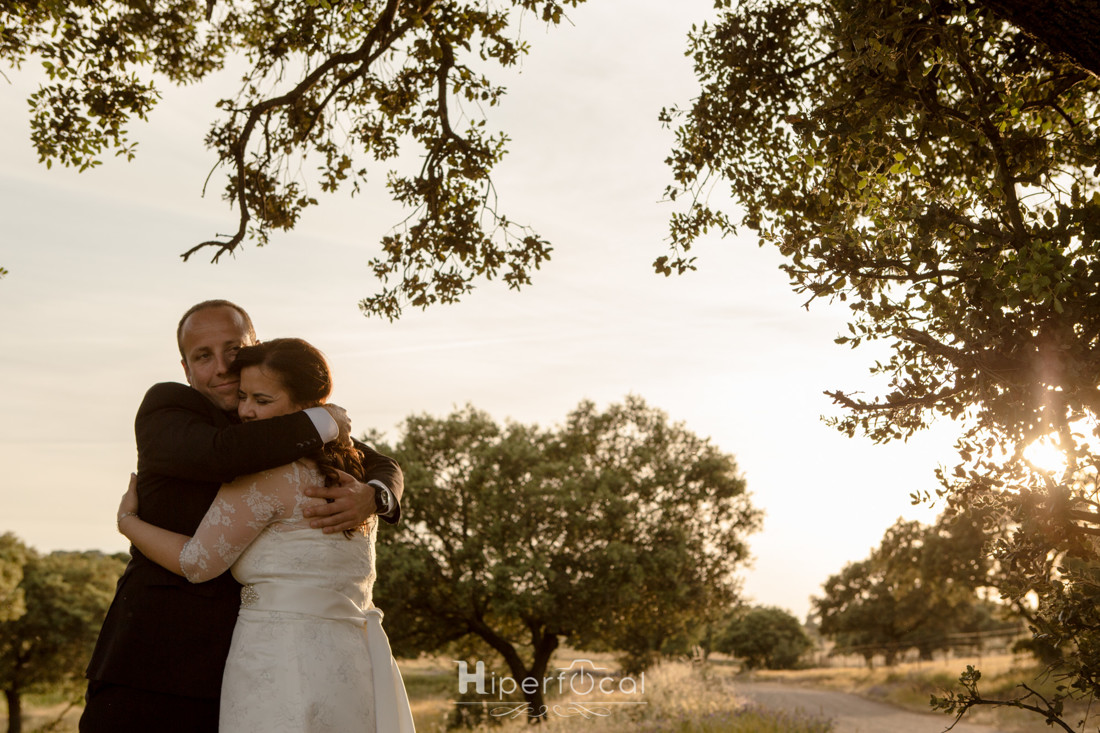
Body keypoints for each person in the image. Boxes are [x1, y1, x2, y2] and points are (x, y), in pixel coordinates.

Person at [80, 300, 403, 733]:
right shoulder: (168, 408)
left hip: (252, 665)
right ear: (186, 367)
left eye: (233, 350)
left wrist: (375, 496)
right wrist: (322, 418)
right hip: (153, 661)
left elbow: (379, 463)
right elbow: (222, 455)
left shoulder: (283, 420)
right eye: (202, 356)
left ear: (255, 347)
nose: (221, 368)